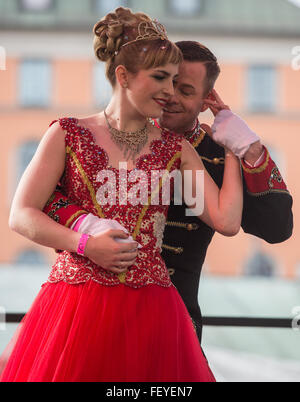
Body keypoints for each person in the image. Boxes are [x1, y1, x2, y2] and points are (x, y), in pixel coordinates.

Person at [0, 7, 244, 382]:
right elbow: (21, 213)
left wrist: (232, 147)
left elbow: (225, 221)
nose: (169, 91)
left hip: (153, 312)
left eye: (175, 80)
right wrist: (83, 244)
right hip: (75, 308)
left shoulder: (176, 150)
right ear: (123, 75)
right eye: (160, 78)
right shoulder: (68, 134)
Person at [44, 40, 293, 343]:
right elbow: (41, 201)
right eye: (165, 81)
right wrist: (83, 231)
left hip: (174, 323)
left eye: (185, 90)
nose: (170, 96)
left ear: (206, 101)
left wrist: (250, 151)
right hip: (94, 307)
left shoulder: (219, 151)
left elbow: (277, 228)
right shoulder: (102, 139)